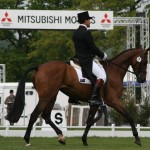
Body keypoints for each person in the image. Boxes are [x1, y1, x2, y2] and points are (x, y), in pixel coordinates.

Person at [72, 11, 107, 106]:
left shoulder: (75, 33)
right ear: (85, 20)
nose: (90, 22)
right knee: (102, 76)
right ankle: (93, 98)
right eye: (89, 20)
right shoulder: (86, 32)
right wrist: (102, 55)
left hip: (77, 58)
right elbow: (93, 48)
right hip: (86, 60)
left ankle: (72, 97)